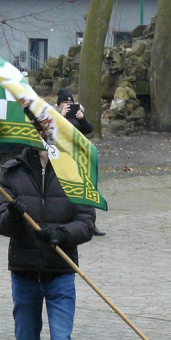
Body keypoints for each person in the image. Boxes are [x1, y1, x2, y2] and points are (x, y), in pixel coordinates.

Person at [0, 126, 96, 340]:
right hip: (24, 270)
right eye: (38, 133)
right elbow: (0, 224)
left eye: (49, 132)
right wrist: (12, 215)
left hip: (60, 271)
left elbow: (87, 222)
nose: (44, 139)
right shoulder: (10, 171)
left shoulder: (72, 170)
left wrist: (61, 235)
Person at [56, 88, 104, 236]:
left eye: (71, 102)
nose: (69, 104)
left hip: (80, 157)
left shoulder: (78, 114)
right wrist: (61, 117)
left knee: (88, 188)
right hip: (63, 158)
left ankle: (90, 223)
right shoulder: (54, 116)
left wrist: (82, 118)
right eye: (65, 102)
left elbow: (89, 130)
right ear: (59, 104)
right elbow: (51, 133)